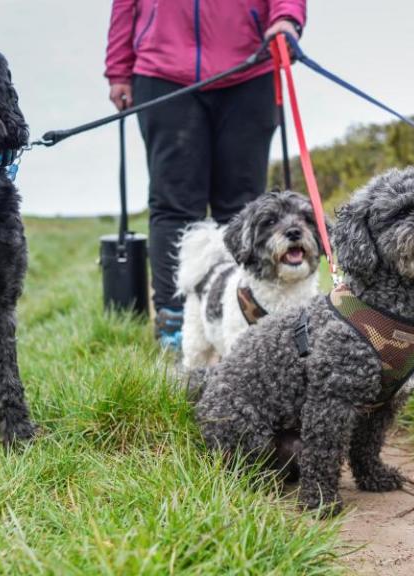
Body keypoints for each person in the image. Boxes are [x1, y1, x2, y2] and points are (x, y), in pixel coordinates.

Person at [105, 0, 306, 350]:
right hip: (162, 74)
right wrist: (119, 69)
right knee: (174, 205)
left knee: (244, 206)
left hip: (250, 67)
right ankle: (173, 317)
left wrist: (287, 18)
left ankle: (248, 311)